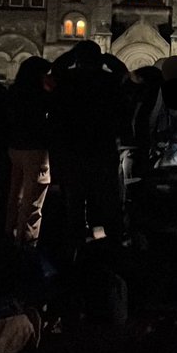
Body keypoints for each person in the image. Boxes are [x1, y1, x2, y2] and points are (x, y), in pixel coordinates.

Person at [50, 41, 129, 248]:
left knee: (75, 199)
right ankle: (111, 239)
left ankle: (76, 241)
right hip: (102, 149)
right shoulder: (108, 81)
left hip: (73, 150)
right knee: (106, 197)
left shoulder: (67, 81)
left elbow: (56, 69)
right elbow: (122, 72)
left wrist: (72, 55)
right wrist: (105, 58)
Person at [4, 56, 54, 246]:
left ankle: (9, 231)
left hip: (15, 146)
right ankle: (26, 240)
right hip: (35, 148)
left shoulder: (14, 91)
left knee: (15, 192)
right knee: (33, 196)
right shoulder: (39, 93)